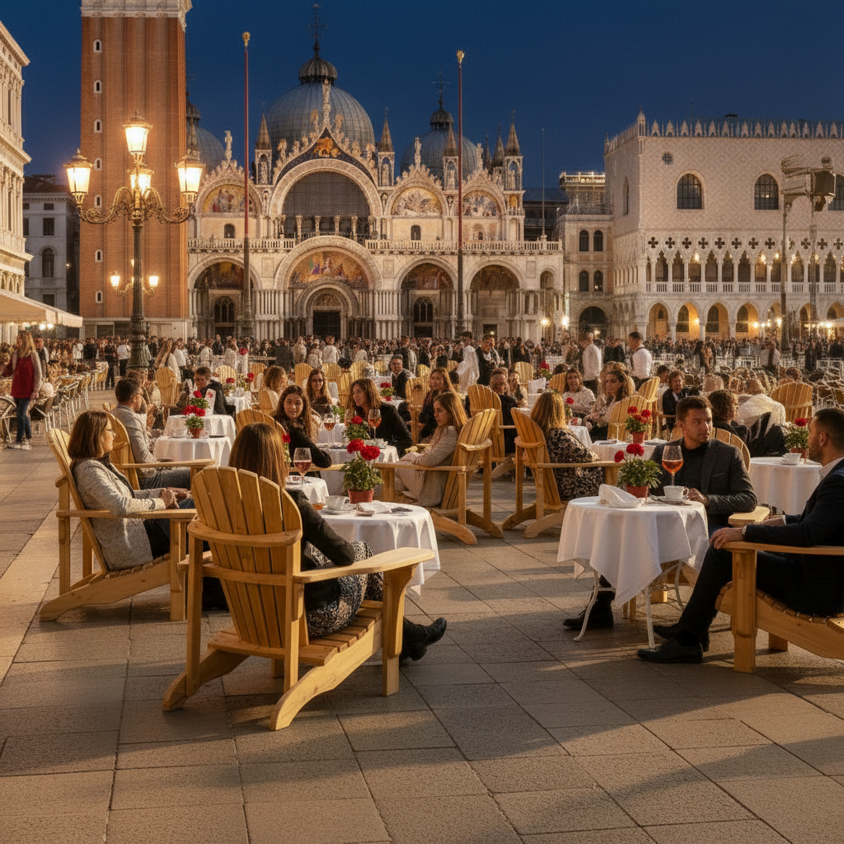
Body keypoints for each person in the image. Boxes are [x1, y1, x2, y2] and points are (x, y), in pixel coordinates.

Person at [640, 407, 844, 663]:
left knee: (722, 550)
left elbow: (807, 533)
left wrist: (746, 531)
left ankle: (688, 639)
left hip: (814, 588)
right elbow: (819, 523)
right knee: (725, 548)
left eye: (811, 433)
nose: (808, 439)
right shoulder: (839, 475)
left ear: (823, 438)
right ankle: (691, 631)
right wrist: (780, 520)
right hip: (819, 575)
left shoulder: (838, 481)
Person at [229, 422, 446, 659]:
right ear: (274, 460)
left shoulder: (224, 508)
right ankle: (409, 637)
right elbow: (345, 555)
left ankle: (410, 637)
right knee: (362, 549)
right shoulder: (291, 504)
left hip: (253, 616)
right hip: (307, 618)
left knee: (332, 554)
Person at [567, 395, 757, 633]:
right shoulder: (665, 452)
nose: (705, 427)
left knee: (711, 548)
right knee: (619, 536)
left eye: (708, 421)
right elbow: (649, 489)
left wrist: (708, 500)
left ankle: (691, 623)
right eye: (697, 422)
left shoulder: (728, 454)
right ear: (681, 425)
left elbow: (749, 499)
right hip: (665, 524)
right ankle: (601, 608)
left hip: (706, 525)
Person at [67, 410, 191, 571]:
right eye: (110, 430)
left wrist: (162, 493)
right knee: (203, 519)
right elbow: (121, 505)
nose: (114, 435)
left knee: (198, 510)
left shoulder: (98, 464)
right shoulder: (89, 470)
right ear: (96, 435)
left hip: (142, 533)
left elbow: (127, 495)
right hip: (136, 543)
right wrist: (161, 502)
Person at [111, 379, 191, 489]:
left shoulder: (111, 415)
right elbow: (142, 456)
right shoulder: (131, 419)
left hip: (124, 474)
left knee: (174, 465)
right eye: (140, 395)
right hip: (146, 479)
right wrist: (159, 465)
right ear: (135, 398)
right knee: (194, 474)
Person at [395, 392, 466, 506]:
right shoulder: (452, 429)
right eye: (434, 410)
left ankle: (391, 502)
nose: (435, 415)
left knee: (396, 467)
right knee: (403, 462)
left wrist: (413, 458)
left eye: (440, 410)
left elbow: (429, 460)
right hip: (439, 482)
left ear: (451, 412)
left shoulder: (450, 432)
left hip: (433, 489)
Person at [532, 392, 603, 501]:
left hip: (551, 484)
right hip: (569, 487)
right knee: (609, 471)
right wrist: (600, 458)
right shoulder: (559, 434)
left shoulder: (538, 432)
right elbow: (587, 456)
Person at [347, 378, 412, 456]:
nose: (355, 396)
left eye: (359, 391)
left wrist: (386, 448)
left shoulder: (388, 410)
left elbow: (407, 439)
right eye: (353, 393)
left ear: (369, 392)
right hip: (362, 456)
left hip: (384, 457)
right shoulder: (356, 413)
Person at [272, 384, 331, 470]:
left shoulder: (275, 421)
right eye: (289, 402)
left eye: (298, 403)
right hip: (294, 475)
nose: (293, 407)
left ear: (304, 406)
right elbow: (324, 461)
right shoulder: (294, 431)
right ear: (282, 404)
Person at [3, 330, 42, 450]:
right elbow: (10, 369)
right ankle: (28, 436)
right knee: (23, 413)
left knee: (20, 414)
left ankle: (19, 439)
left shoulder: (33, 355)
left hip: (27, 388)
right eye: (17, 338)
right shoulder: (15, 354)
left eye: (20, 339)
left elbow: (38, 373)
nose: (18, 341)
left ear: (25, 340)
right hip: (17, 387)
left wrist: (36, 389)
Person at [584, 368, 630, 441]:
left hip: (610, 434)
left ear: (621, 384)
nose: (609, 384)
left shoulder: (621, 402)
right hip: (606, 430)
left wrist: (598, 419)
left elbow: (609, 422)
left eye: (613, 381)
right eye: (607, 381)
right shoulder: (613, 399)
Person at [417, 367, 455, 442]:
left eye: (438, 379)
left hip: (444, 430)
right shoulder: (430, 394)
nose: (434, 381)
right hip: (430, 429)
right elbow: (423, 417)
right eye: (433, 378)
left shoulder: (448, 396)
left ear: (445, 380)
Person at [490, 370, 518, 453]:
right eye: (496, 385)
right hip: (506, 443)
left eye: (502, 384)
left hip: (485, 442)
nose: (499, 387)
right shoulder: (508, 401)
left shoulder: (482, 399)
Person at [661, 370, 697, 435]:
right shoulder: (667, 395)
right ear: (670, 383)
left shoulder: (685, 392)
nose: (678, 383)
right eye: (675, 381)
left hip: (688, 421)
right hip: (674, 424)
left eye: (679, 381)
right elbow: (668, 412)